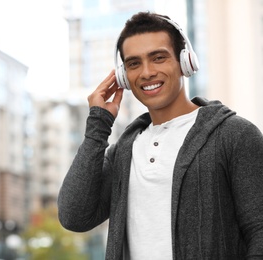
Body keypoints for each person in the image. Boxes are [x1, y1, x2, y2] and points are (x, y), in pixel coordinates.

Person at [57, 11, 263, 259]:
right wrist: (98, 126)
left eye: (158, 58)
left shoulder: (235, 135)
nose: (146, 73)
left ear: (185, 61)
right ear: (123, 76)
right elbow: (74, 216)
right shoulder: (125, 150)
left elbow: (259, 231)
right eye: (134, 63)